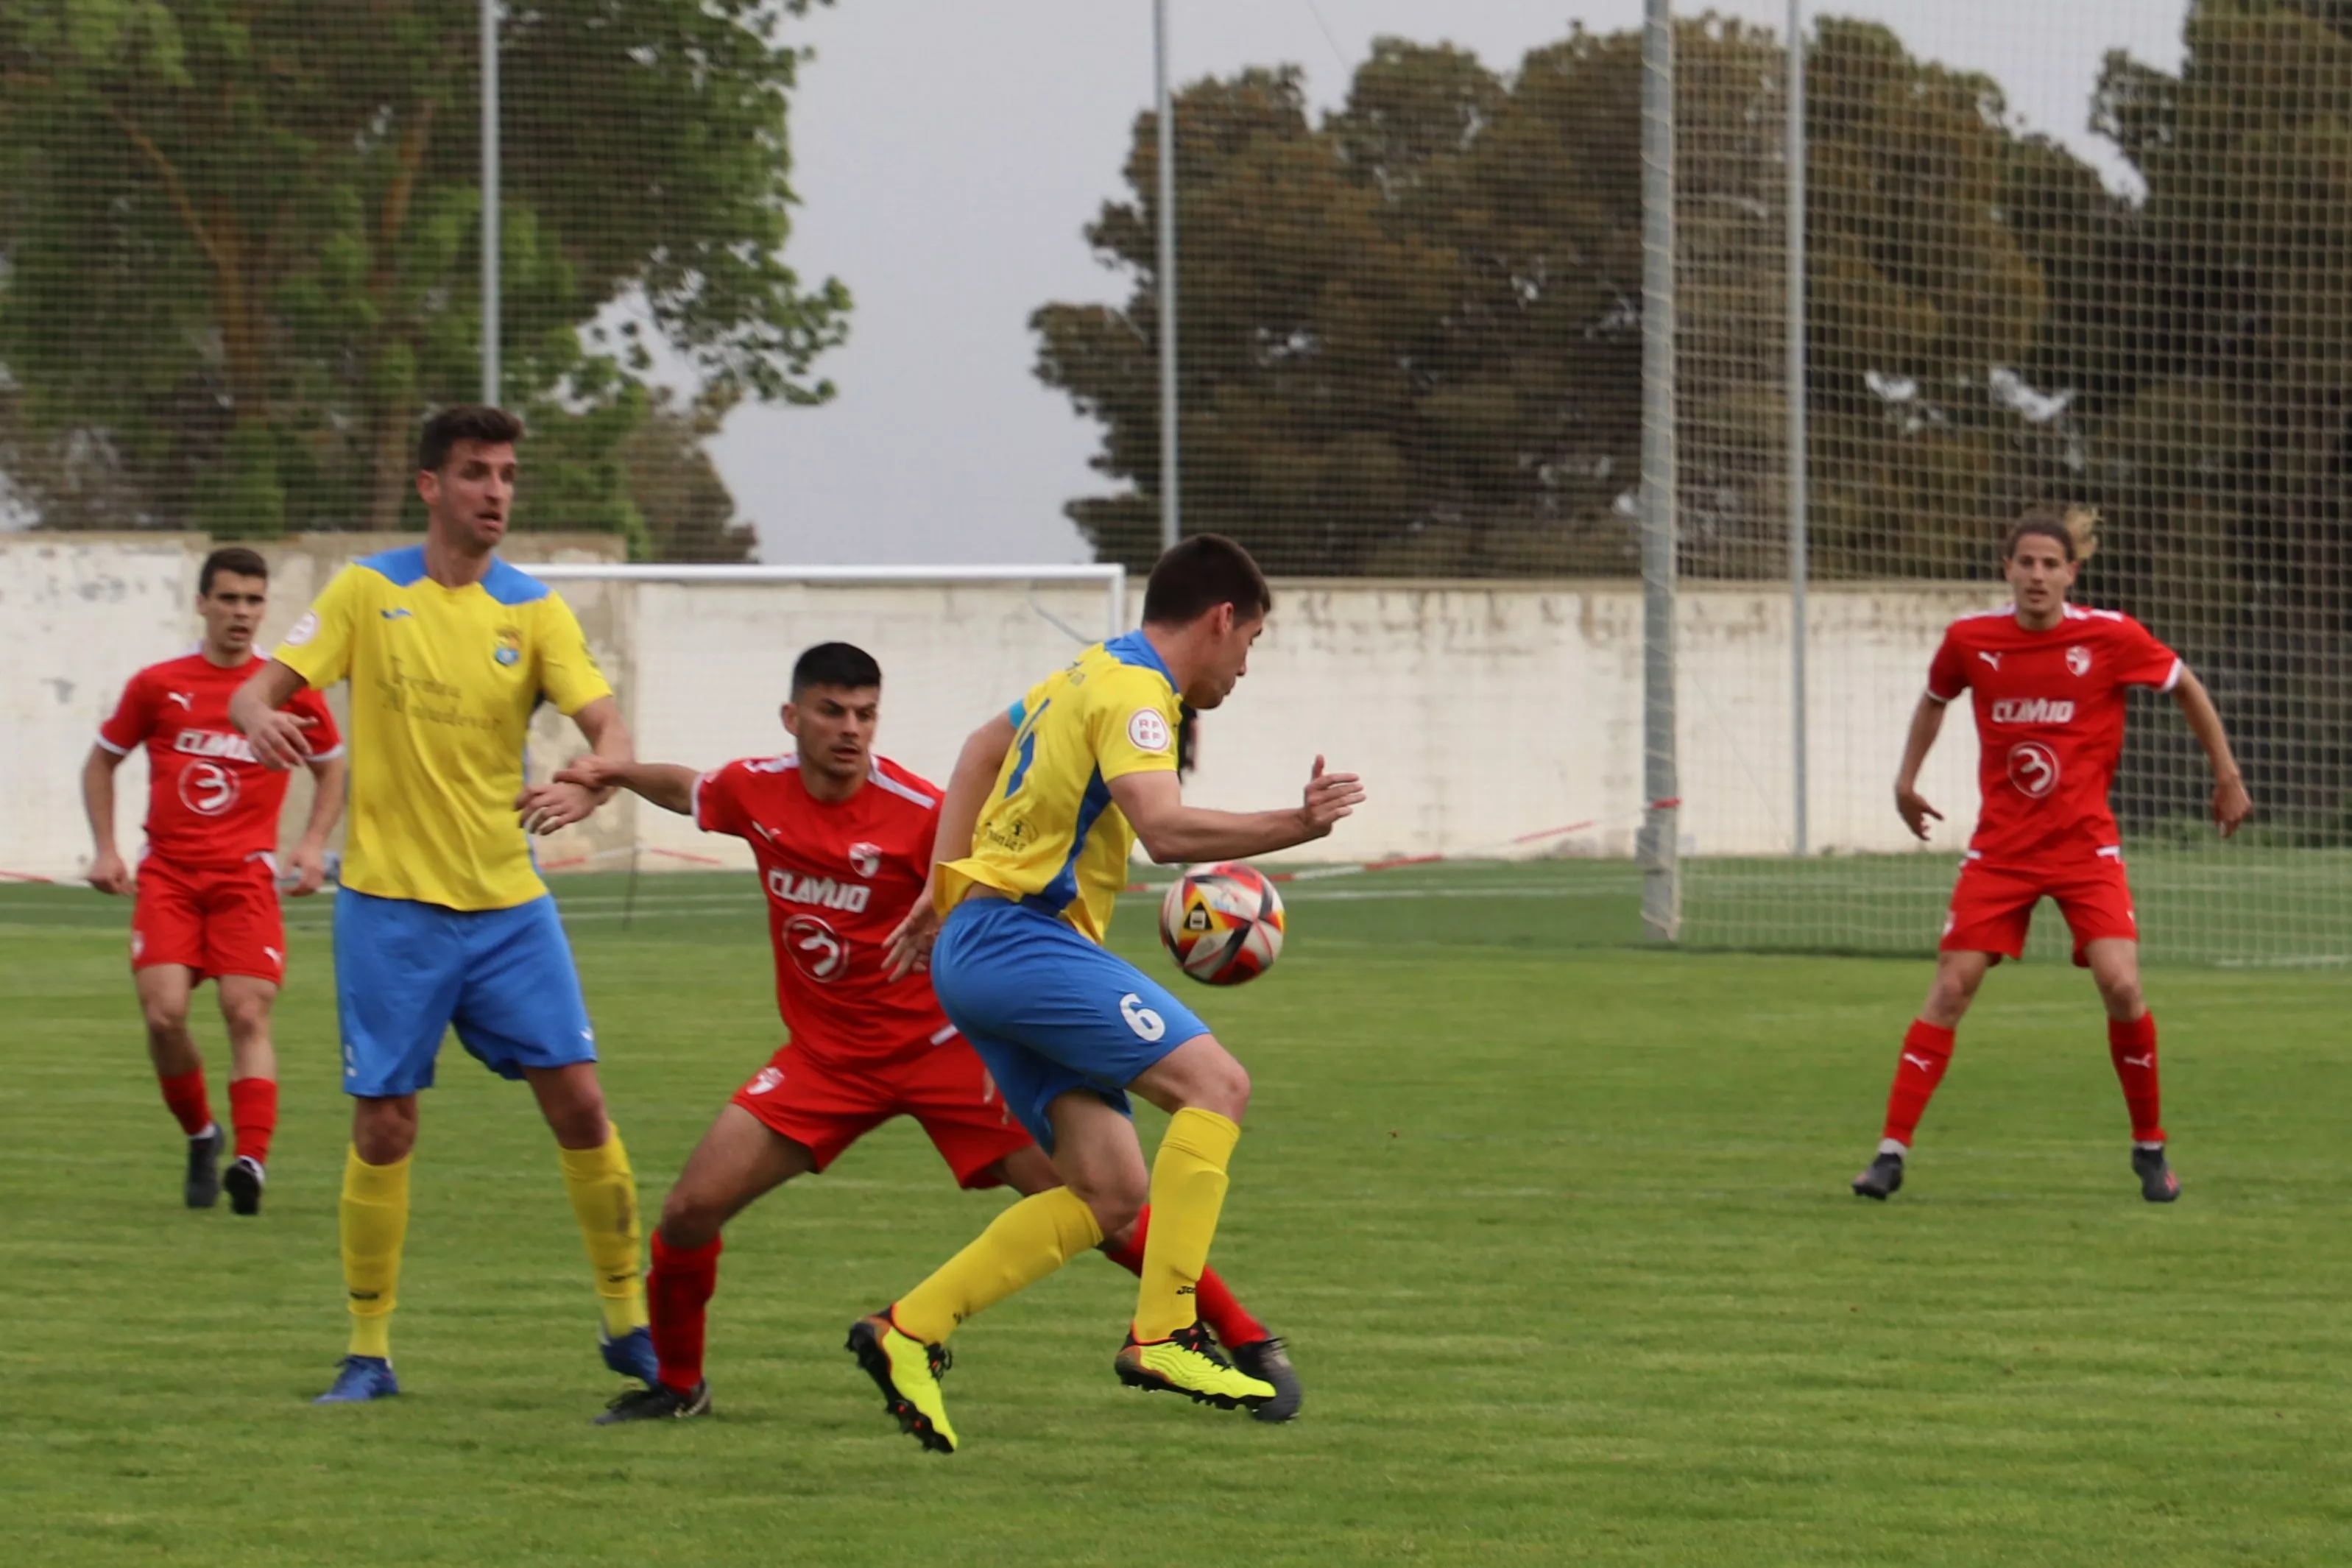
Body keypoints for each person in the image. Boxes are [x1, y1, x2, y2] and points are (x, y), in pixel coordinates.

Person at [559, 642, 1302, 1426]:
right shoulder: (754, 789)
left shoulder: (920, 812)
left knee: (1100, 1202)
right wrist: (615, 773)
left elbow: (1000, 875)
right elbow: (690, 790)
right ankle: (678, 1387)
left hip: (947, 1053)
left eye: (865, 714)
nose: (851, 729)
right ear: (793, 717)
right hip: (825, 1062)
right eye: (832, 712)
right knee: (687, 1210)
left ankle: (1243, 1336)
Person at [845, 534, 1363, 1454]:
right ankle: (1165, 1335)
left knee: (1111, 1191)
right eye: (1251, 643)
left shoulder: (1080, 674)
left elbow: (978, 749)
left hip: (979, 946)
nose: (1245, 668)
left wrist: (941, 884)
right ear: (1222, 618)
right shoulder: (1138, 694)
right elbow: (1164, 830)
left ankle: (908, 1330)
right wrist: (1299, 822)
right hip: (1022, 940)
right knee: (1218, 1086)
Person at [230, 404, 654, 1405]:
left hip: (509, 908)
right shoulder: (366, 590)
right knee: (385, 1125)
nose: (495, 491)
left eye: (506, 474)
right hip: (390, 910)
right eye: (475, 472)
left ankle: (631, 1327)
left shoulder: (535, 610)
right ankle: (368, 1353)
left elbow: (608, 727)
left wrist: (593, 779)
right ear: (430, 486)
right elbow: (260, 688)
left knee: (582, 1104)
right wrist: (254, 712)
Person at [1851, 504, 2253, 1204]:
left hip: (2083, 848)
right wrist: (1904, 781)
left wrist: (2226, 775)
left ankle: (2150, 1149)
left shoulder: (2109, 636)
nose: (2036, 575)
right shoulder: (1970, 640)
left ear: (2071, 572)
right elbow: (1934, 698)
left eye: (2049, 564)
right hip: (2000, 851)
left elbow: (2184, 684)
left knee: (2121, 986)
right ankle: (1888, 1155)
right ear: (2005, 569)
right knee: (1950, 988)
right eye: (2025, 563)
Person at [83, 546, 346, 1215]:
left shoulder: (285, 687)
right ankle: (203, 1135)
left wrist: (312, 845)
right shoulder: (158, 685)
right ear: (202, 603)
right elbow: (101, 763)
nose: (241, 612)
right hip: (169, 876)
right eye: (228, 598)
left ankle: (250, 1163)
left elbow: (333, 767)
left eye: (253, 600)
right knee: (164, 1015)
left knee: (247, 1011)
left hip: (245, 879)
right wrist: (106, 850)